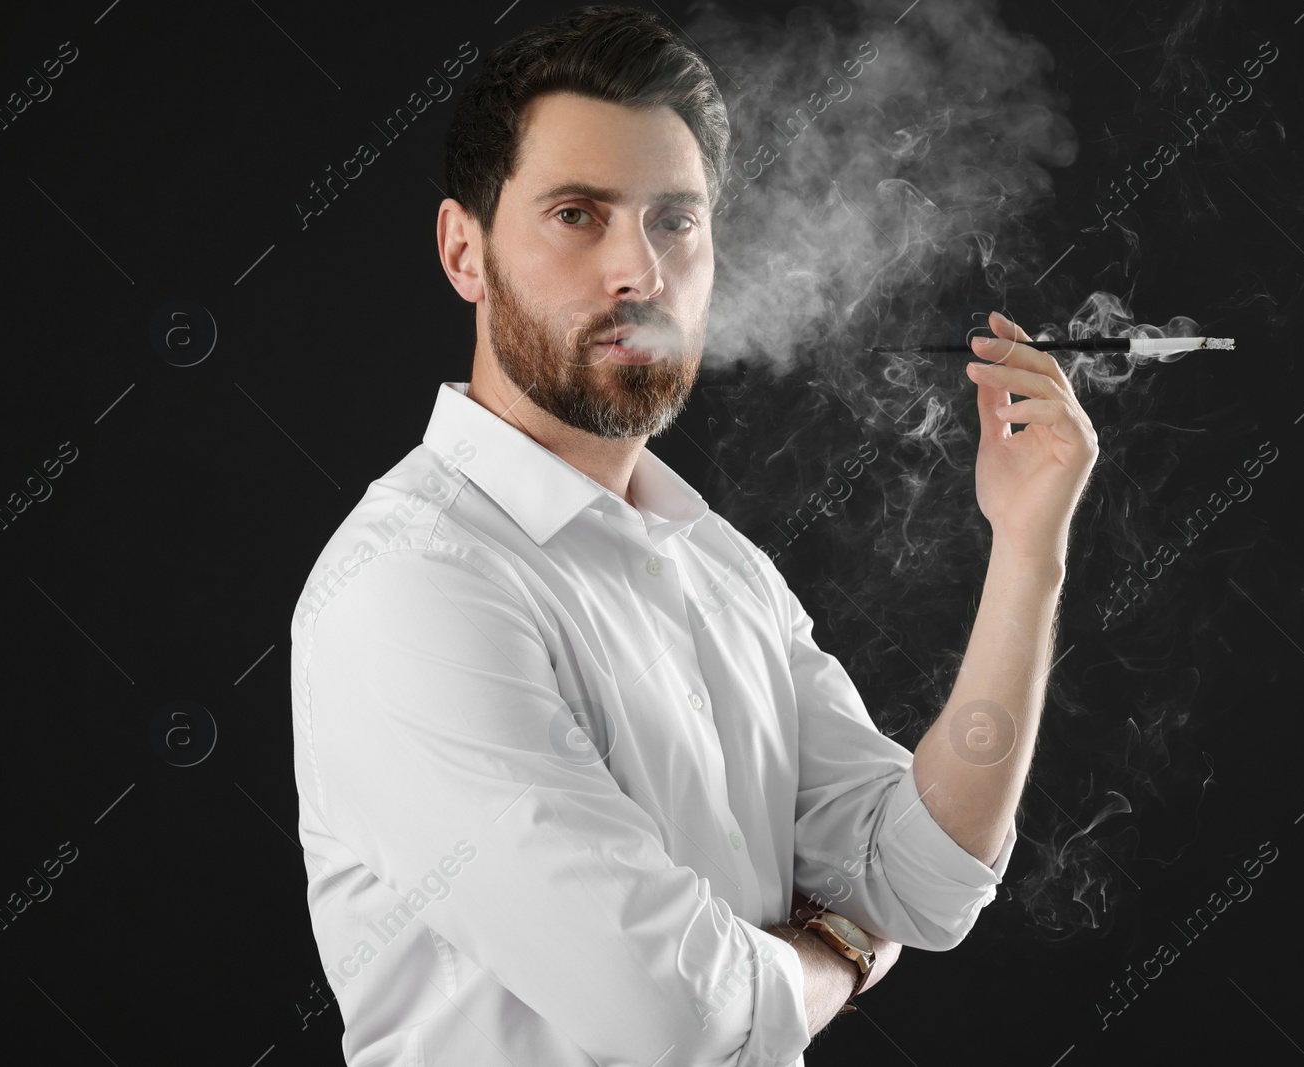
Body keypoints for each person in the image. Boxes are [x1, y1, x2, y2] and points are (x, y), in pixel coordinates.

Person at [289, 5, 1098, 1064]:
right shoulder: (407, 584)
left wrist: (1028, 546)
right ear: (464, 251)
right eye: (578, 214)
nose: (641, 272)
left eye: (676, 220)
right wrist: (843, 953)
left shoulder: (717, 566)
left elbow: (924, 879)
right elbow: (675, 1014)